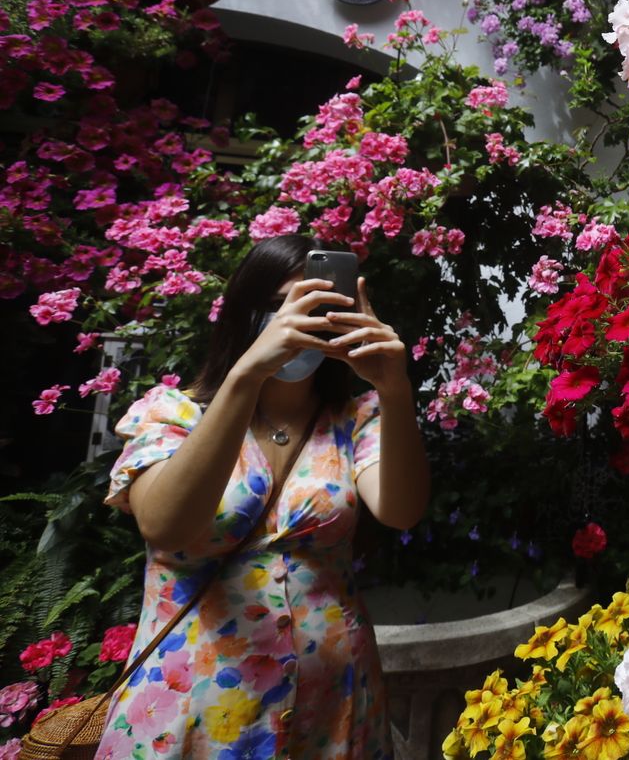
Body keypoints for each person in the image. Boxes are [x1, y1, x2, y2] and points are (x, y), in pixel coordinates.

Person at [95, 235, 429, 759]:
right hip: (189, 709)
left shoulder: (356, 419)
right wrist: (247, 373)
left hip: (332, 709)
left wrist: (395, 388)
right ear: (243, 314)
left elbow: (401, 510)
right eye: (277, 305)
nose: (293, 321)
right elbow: (163, 525)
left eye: (314, 306)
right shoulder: (172, 415)